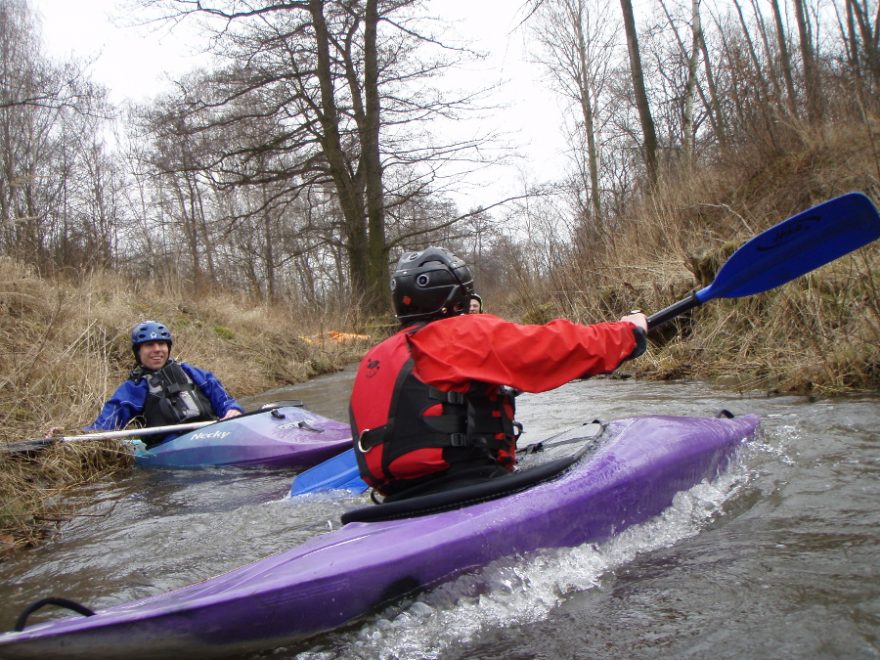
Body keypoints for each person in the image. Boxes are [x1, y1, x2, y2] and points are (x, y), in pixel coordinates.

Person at [350, 247, 648, 500]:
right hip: (467, 485)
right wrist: (627, 333)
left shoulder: (374, 358)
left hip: (397, 499)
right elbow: (553, 348)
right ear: (456, 297)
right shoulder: (460, 334)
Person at [86, 320, 243, 446]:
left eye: (161, 344)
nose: (157, 350)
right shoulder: (134, 388)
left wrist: (232, 410)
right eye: (149, 345)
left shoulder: (192, 373)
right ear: (138, 352)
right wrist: (87, 435)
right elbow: (106, 423)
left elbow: (224, 400)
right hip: (169, 446)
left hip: (212, 434)